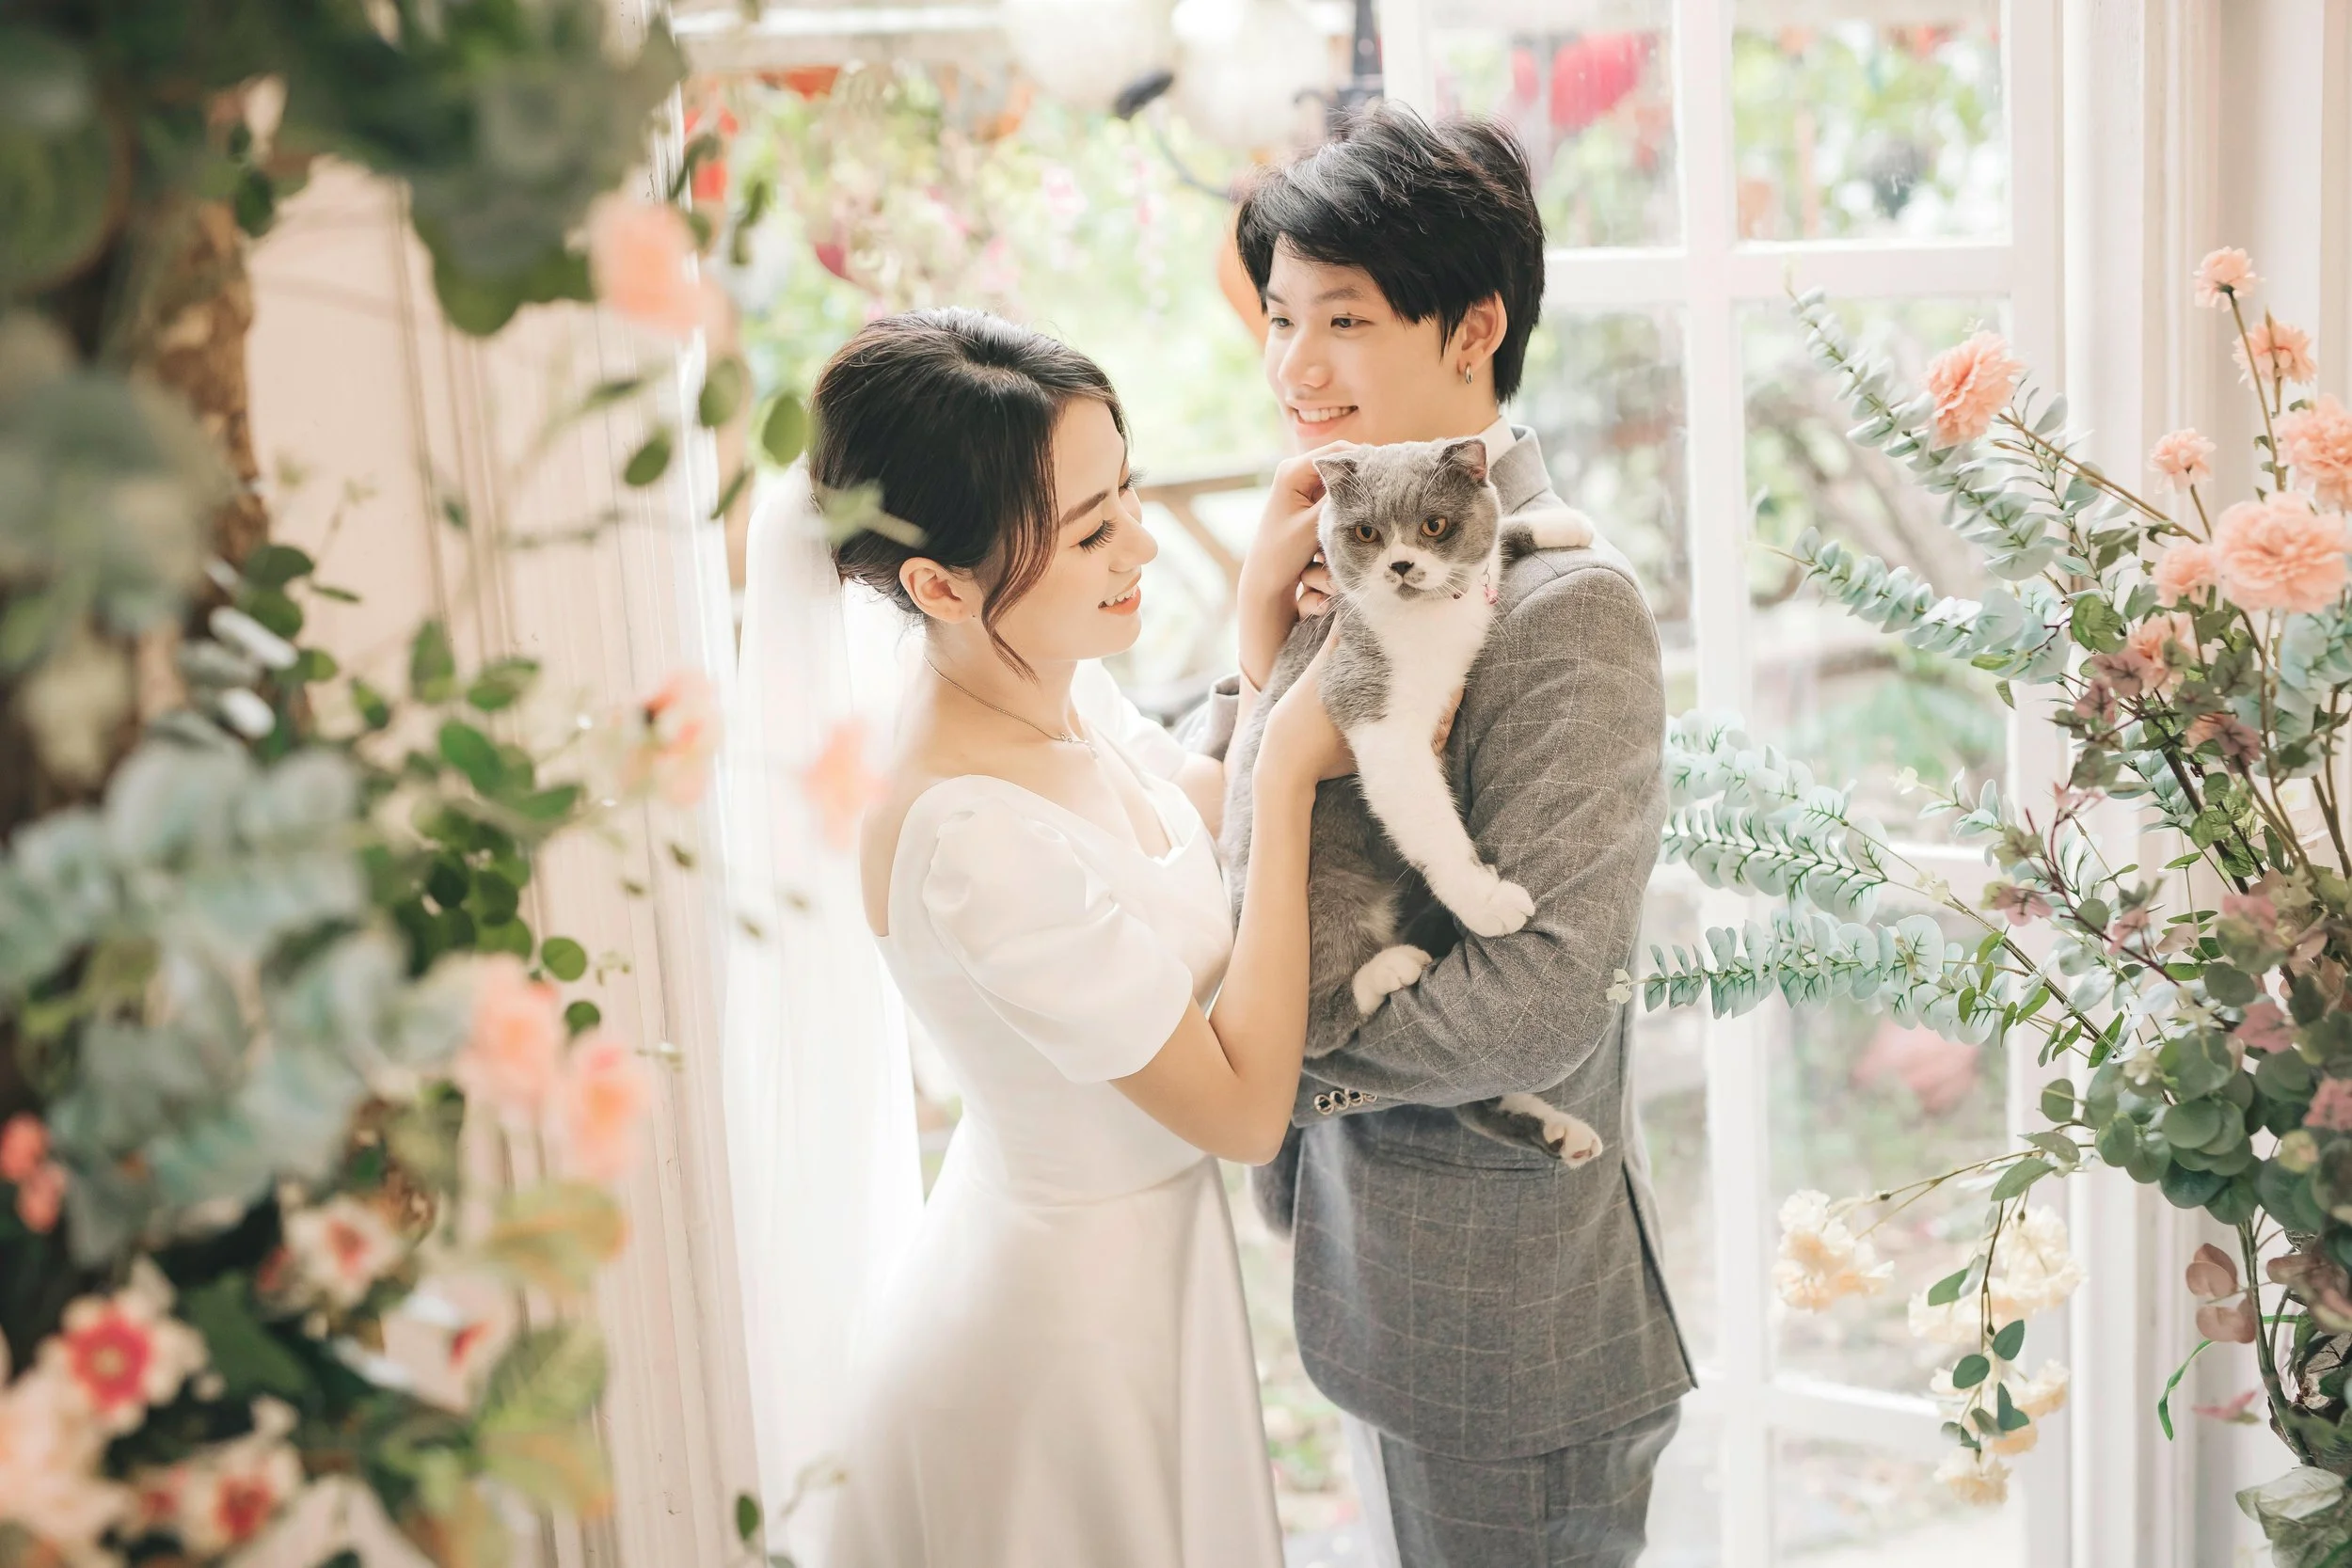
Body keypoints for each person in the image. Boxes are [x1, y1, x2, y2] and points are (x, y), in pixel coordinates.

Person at [1215, 104, 1695, 1567]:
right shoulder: (1333, 536)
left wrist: (1271, 1044)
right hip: (1386, 1290)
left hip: (1512, 1336)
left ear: (1477, 325)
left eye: (1344, 319)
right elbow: (1243, 838)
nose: (1297, 365)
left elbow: (1538, 1000)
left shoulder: (1563, 607)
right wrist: (1251, 653)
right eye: (1282, 317)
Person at [818, 308, 1345, 1568]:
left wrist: (1260, 643)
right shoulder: (969, 838)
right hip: (1057, 1345)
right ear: (940, 586)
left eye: (1130, 495)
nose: (1142, 544)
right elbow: (1240, 1111)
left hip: (1137, 1284)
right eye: (1091, 531)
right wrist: (1287, 781)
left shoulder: (1053, 687)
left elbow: (1189, 821)